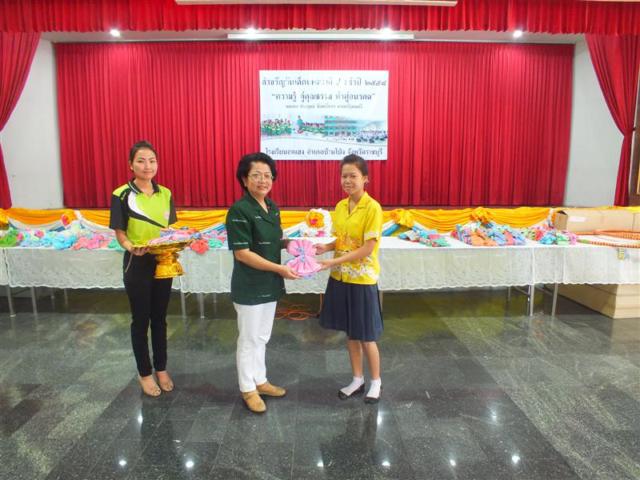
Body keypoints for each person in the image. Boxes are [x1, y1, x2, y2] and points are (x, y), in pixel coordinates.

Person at [225, 152, 300, 414]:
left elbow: (273, 241)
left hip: (270, 283)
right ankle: (247, 388)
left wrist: (290, 244)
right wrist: (280, 269)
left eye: (268, 175)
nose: (263, 180)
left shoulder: (272, 207)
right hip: (250, 285)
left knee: (262, 336)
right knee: (248, 339)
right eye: (256, 175)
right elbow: (242, 253)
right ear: (244, 179)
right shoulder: (239, 210)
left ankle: (260, 380)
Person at [109, 140, 177, 397]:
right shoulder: (121, 194)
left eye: (152, 160)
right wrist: (130, 247)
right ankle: (144, 373)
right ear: (131, 165)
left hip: (162, 261)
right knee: (141, 319)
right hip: (136, 262)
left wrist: (178, 242)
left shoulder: (166, 193)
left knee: (160, 318)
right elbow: (120, 232)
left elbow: (169, 229)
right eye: (141, 161)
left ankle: (161, 368)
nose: (147, 166)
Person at [316, 154, 384, 404]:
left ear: (365, 178)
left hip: (362, 280)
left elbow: (368, 248)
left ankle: (376, 381)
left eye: (353, 176)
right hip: (341, 278)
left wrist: (333, 261)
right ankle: (357, 379)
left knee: (366, 335)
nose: (347, 180)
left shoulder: (373, 208)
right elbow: (340, 240)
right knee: (351, 334)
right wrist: (325, 247)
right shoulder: (340, 206)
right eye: (344, 176)